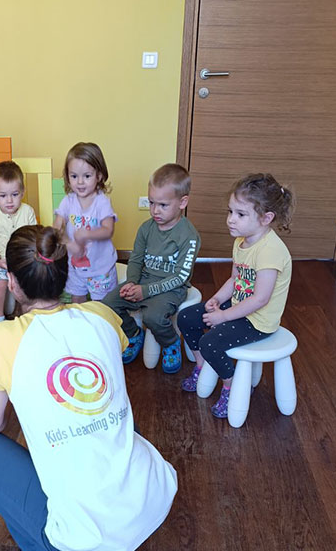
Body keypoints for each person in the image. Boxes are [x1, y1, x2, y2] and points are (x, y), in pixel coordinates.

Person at [0, 225, 178, 551]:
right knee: (106, 414)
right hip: (153, 500)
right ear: (65, 275)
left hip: (81, 544)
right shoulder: (102, 315)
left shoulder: (1, 339)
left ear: (11, 283)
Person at [177, 173, 294, 418]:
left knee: (211, 342)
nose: (231, 219)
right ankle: (201, 364)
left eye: (240, 214)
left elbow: (260, 299)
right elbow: (235, 279)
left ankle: (230, 385)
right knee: (186, 318)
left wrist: (223, 316)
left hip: (258, 321)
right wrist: (218, 300)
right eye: (230, 212)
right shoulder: (242, 241)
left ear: (266, 218)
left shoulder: (270, 251)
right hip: (239, 305)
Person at [102, 163, 200, 370]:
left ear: (183, 202)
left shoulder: (189, 236)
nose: (155, 210)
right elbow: (136, 259)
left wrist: (145, 291)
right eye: (152, 202)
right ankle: (133, 334)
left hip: (171, 287)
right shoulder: (146, 228)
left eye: (163, 205)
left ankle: (170, 342)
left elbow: (180, 277)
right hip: (144, 280)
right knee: (108, 303)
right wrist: (131, 282)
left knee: (152, 317)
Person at [53, 142, 118, 303]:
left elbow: (108, 229)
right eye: (74, 176)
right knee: (77, 301)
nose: (80, 182)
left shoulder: (102, 202)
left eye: (87, 176)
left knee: (101, 305)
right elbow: (57, 227)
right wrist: (68, 243)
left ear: (99, 176)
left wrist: (87, 234)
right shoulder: (68, 201)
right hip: (75, 267)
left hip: (100, 268)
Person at [0, 160, 37, 324]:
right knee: (0, 283)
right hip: (1, 261)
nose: (9, 201)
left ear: (22, 192)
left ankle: (23, 314)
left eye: (14, 194)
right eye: (3, 196)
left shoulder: (27, 212)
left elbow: (33, 238)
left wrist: (28, 259)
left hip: (23, 260)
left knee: (27, 284)